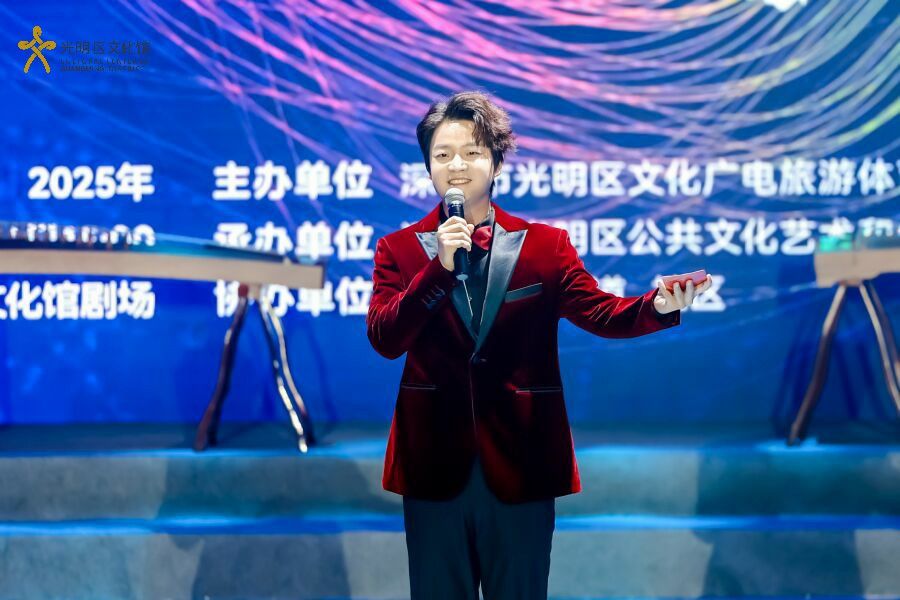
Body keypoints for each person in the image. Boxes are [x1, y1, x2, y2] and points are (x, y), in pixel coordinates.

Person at [366, 90, 713, 600]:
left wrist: (658, 306)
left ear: (495, 162)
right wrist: (437, 270)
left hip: (521, 459)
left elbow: (602, 313)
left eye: (471, 152)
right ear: (428, 166)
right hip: (433, 463)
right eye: (442, 155)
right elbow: (385, 337)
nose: (456, 166)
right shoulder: (397, 250)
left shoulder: (546, 247)